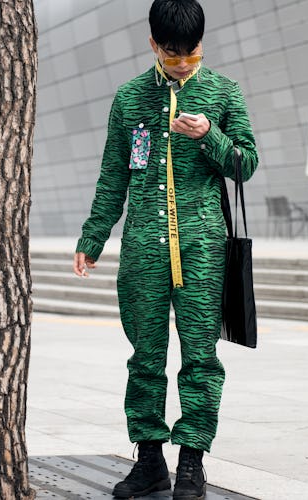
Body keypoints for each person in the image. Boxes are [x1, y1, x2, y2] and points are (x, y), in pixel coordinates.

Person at [73, 1, 258, 498]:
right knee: (145, 358)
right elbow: (114, 175)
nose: (182, 63)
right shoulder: (131, 98)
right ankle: (149, 458)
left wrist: (211, 137)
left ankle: (193, 461)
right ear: (153, 43)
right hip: (142, 251)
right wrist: (93, 238)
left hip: (203, 248)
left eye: (191, 52)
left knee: (200, 357)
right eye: (173, 53)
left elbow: (246, 164)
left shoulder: (223, 93)